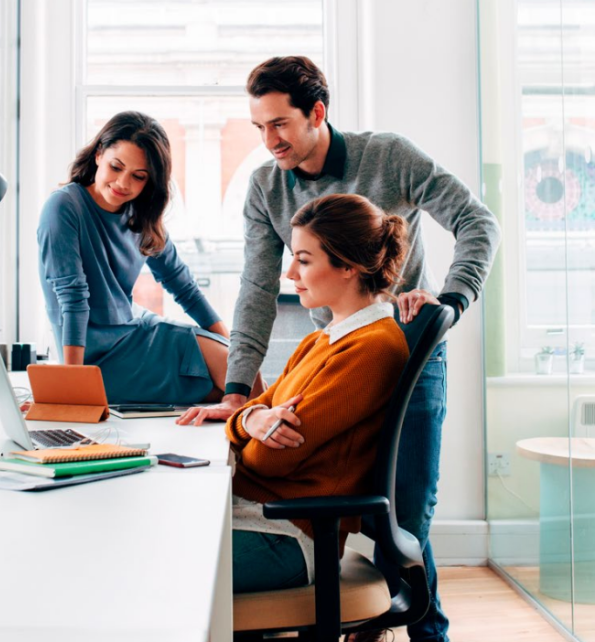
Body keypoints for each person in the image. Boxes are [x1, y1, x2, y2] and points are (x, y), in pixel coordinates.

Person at [179, 56, 501, 642]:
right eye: (258, 127)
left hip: (402, 343)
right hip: (339, 337)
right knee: (338, 483)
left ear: (317, 113)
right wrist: (237, 397)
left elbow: (476, 220)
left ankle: (419, 632)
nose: (268, 140)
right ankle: (347, 618)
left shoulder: (390, 156)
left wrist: (451, 302)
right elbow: (256, 288)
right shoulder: (265, 185)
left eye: (279, 124)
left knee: (401, 519)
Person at [228, 193, 409, 594]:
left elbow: (270, 459)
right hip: (254, 518)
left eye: (304, 260)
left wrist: (247, 428)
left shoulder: (373, 348)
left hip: (287, 538)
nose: (289, 272)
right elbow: (252, 413)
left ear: (348, 266)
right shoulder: (319, 340)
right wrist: (251, 421)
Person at [38, 111, 262, 404]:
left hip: (137, 330)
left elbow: (181, 284)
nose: (122, 183)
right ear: (98, 155)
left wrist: (230, 343)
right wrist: (73, 386)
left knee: (244, 374)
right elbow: (72, 297)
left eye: (138, 176)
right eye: (116, 167)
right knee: (237, 390)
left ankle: (283, 443)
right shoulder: (64, 206)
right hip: (93, 356)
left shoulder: (140, 215)